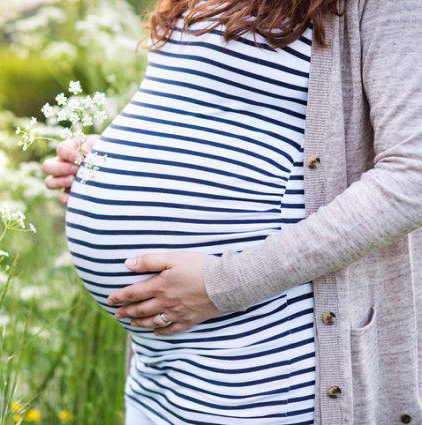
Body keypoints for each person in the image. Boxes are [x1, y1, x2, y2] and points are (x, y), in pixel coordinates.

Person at [42, 0, 422, 423]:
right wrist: (108, 163)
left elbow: (412, 176)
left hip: (264, 361)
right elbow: (216, 111)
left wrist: (224, 284)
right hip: (159, 371)